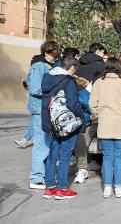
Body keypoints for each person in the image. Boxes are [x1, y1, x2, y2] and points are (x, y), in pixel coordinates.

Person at [89, 58, 121, 198]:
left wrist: (99, 114)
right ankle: (118, 187)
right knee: (119, 156)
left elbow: (92, 104)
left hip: (105, 124)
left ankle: (107, 187)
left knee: (107, 157)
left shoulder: (99, 82)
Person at [41, 56, 85, 200]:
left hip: (53, 122)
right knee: (65, 155)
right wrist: (80, 119)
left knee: (53, 154)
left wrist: (48, 123)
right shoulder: (68, 81)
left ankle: (49, 187)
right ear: (72, 67)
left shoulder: (47, 78)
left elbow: (45, 103)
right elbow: (73, 104)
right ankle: (62, 189)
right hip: (66, 123)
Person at [27, 41, 61, 189]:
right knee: (41, 144)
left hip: (44, 109)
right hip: (39, 109)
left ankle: (43, 175)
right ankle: (36, 178)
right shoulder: (39, 66)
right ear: (46, 52)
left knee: (46, 143)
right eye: (54, 55)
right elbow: (35, 88)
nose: (55, 58)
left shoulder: (44, 65)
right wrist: (54, 91)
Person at [73, 43, 107, 184]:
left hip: (83, 112)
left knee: (81, 137)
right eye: (103, 52)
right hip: (100, 112)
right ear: (98, 51)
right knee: (107, 136)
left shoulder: (78, 65)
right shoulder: (101, 66)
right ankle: (106, 167)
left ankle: (82, 169)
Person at [15, 53, 56, 148]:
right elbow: (33, 87)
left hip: (39, 104)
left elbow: (31, 87)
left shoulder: (41, 68)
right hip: (39, 104)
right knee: (36, 122)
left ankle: (25, 140)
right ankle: (25, 140)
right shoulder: (41, 68)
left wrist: (27, 83)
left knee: (37, 123)